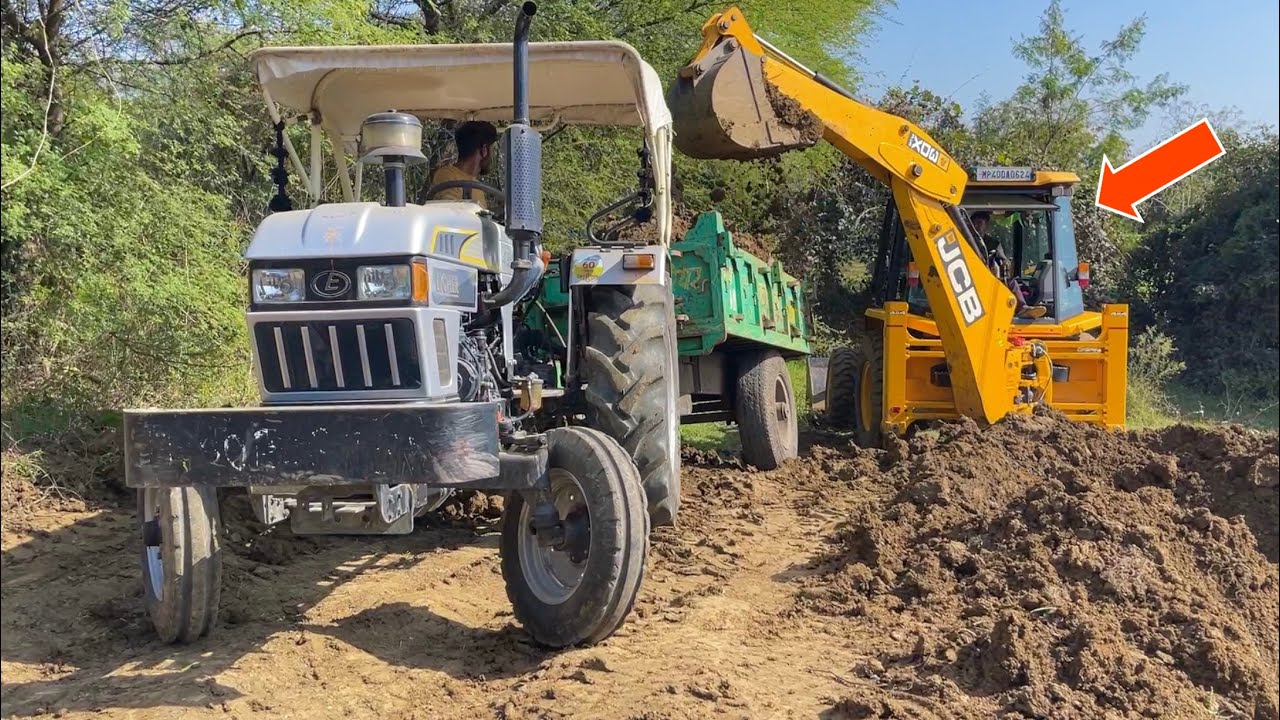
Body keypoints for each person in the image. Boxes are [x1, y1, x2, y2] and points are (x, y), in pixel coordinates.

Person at [428, 120, 499, 208]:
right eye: (492, 150)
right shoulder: (447, 175)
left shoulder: (478, 187)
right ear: (484, 150)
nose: (493, 156)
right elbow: (449, 211)